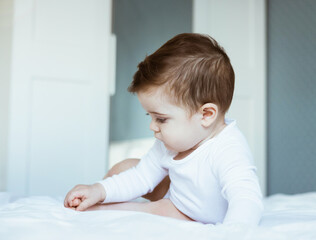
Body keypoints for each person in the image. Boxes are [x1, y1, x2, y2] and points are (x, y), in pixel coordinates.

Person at [64, 33, 263, 226]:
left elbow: (246, 199)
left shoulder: (228, 148)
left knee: (151, 204)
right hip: (179, 203)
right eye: (149, 116)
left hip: (200, 213)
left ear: (206, 115)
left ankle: (108, 207)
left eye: (161, 118)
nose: (152, 126)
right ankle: (94, 205)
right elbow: (142, 177)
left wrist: (234, 230)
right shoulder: (171, 141)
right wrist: (98, 190)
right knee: (125, 169)